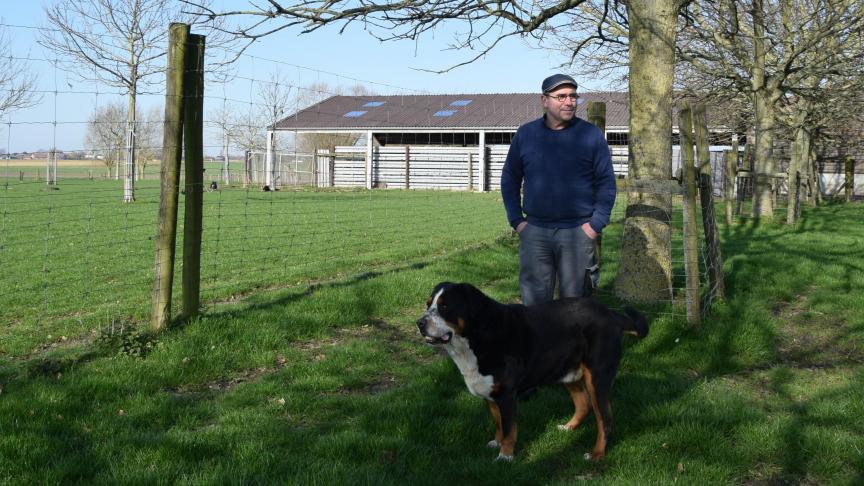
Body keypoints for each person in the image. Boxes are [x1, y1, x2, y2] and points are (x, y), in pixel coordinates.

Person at [501, 74, 617, 306]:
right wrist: (517, 221)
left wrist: (595, 225)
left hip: (578, 232)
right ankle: (539, 344)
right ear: (544, 100)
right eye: (561, 96)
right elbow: (510, 179)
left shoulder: (590, 135)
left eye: (573, 96)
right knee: (534, 308)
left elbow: (606, 182)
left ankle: (575, 345)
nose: (569, 102)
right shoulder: (526, 135)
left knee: (576, 308)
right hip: (535, 232)